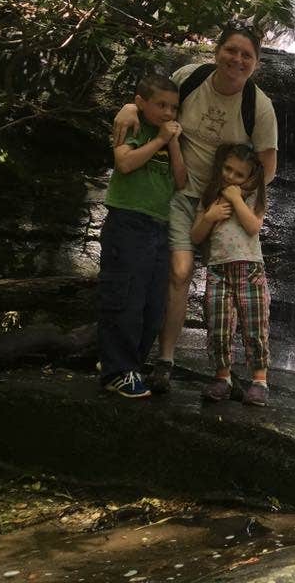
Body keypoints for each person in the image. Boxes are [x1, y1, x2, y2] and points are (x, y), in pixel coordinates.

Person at [113, 24, 278, 394]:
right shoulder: (190, 77)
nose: (237, 59)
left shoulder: (259, 107)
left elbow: (268, 169)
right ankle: (166, 360)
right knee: (179, 272)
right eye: (231, 50)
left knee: (236, 289)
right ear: (217, 50)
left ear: (256, 63)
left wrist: (236, 196)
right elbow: (155, 103)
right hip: (182, 195)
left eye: (246, 55)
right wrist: (128, 106)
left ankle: (246, 375)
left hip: (224, 205)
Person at [99, 74, 187, 398]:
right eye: (161, 105)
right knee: (125, 299)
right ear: (140, 103)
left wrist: (173, 142)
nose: (168, 113)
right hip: (127, 222)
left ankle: (129, 365)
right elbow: (123, 163)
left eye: (173, 108)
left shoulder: (169, 135)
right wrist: (160, 140)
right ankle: (117, 371)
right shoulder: (133, 126)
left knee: (153, 304)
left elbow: (180, 180)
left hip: (159, 226)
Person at [191, 143, 270, 405]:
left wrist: (236, 199)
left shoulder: (253, 196)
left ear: (249, 177)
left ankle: (259, 380)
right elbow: (195, 236)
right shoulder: (210, 196)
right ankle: (222, 377)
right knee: (219, 324)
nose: (231, 176)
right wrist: (210, 216)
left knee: (254, 324)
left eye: (239, 174)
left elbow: (253, 227)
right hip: (218, 268)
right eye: (227, 169)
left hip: (249, 268)